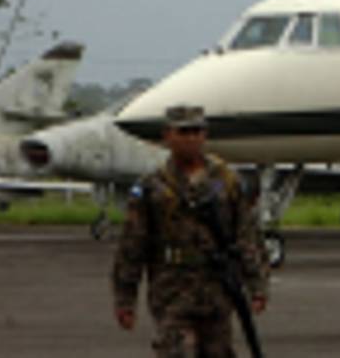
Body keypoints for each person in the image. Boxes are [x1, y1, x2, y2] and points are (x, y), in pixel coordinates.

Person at [112, 104, 268, 357]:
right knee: (177, 351)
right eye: (183, 132)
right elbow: (132, 245)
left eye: (197, 131)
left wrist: (257, 285)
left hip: (216, 289)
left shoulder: (225, 180)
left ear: (205, 135)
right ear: (167, 136)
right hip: (172, 290)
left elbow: (246, 233)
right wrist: (125, 299)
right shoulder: (153, 186)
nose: (191, 138)